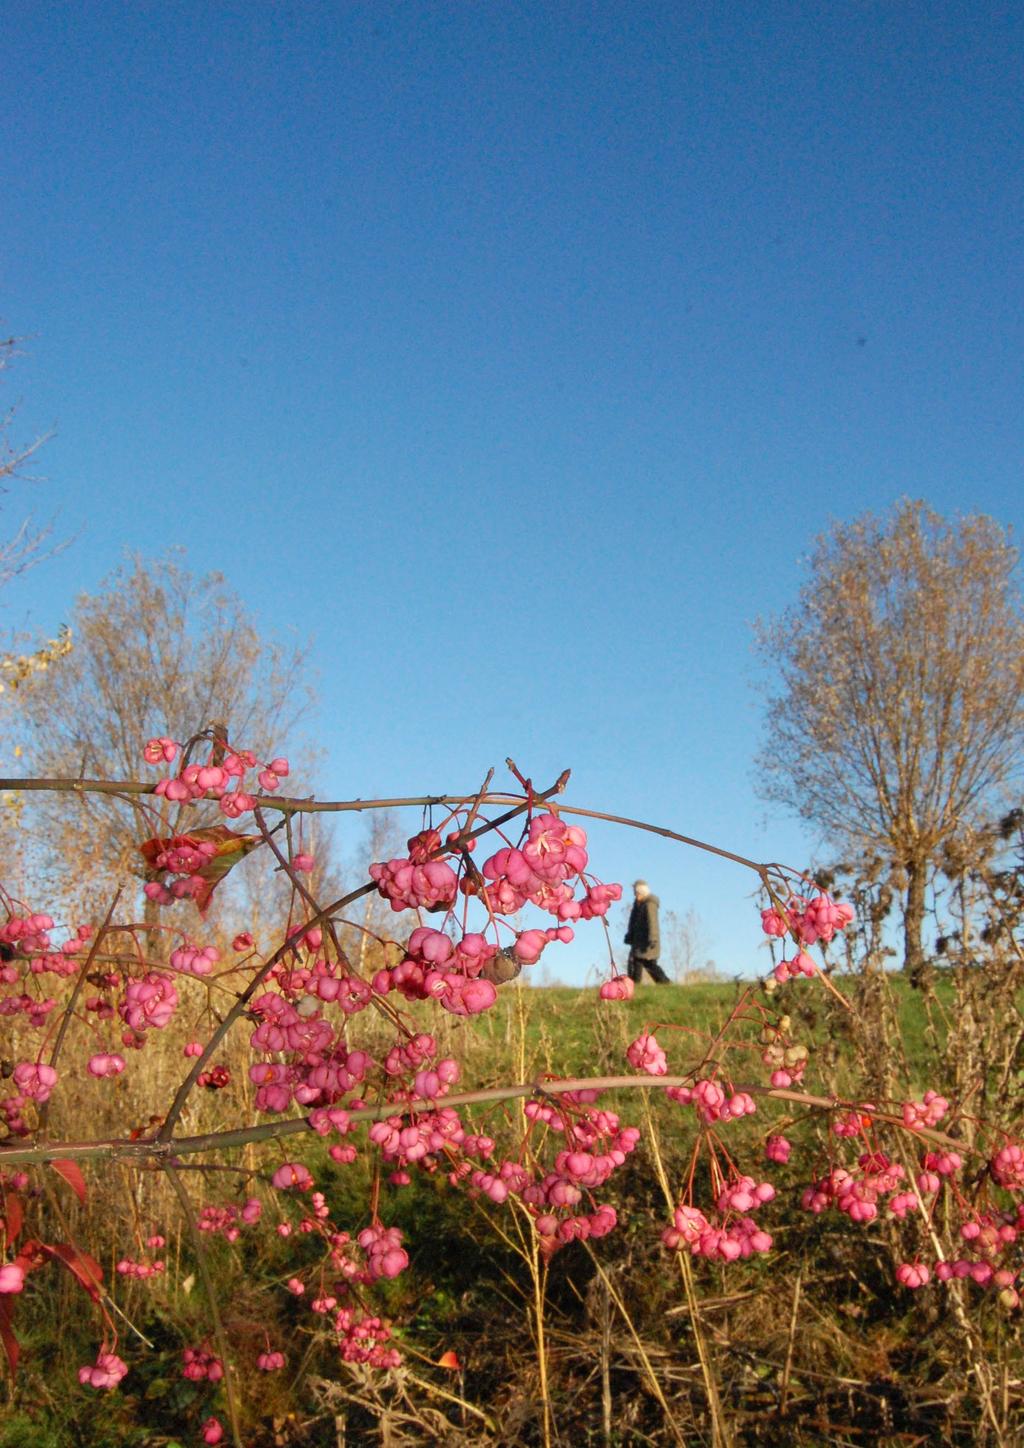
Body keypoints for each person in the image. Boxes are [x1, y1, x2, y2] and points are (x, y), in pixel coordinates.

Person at [624, 880, 670, 984]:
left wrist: (653, 938)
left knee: (649, 964)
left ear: (642, 892)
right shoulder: (638, 905)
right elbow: (633, 923)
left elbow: (652, 922)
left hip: (647, 942)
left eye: (636, 893)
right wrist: (629, 936)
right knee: (635, 963)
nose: (635, 895)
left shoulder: (650, 904)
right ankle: (634, 986)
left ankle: (665, 983)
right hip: (638, 942)